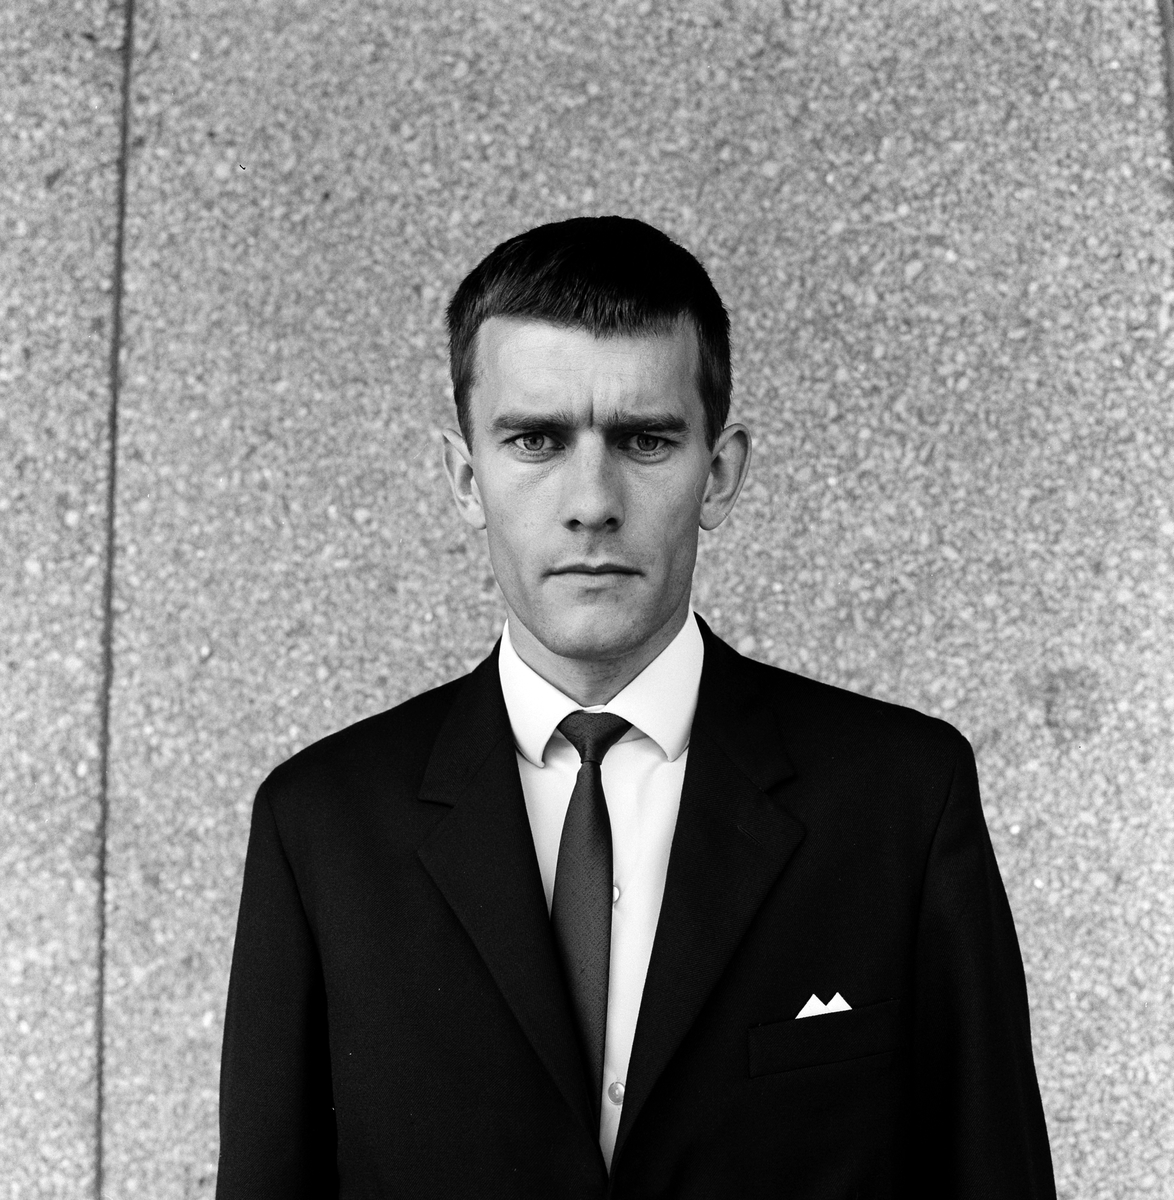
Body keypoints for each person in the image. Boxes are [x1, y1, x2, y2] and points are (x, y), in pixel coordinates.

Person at [216, 215, 1056, 1198]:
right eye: (534, 440)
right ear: (464, 477)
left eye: (645, 439)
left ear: (720, 472)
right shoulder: (321, 824)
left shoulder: (900, 799)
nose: (592, 501)